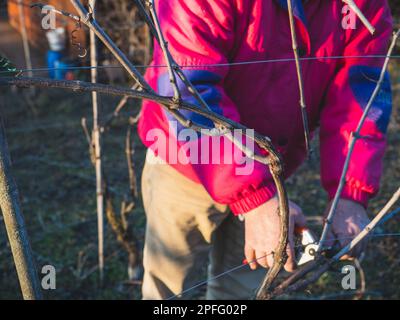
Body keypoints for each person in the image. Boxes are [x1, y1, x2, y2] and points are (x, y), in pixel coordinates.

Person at [137, 0, 393, 299]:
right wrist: (255, 197)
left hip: (272, 166)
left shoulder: (361, 7)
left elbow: (359, 96)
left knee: (243, 289)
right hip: (184, 160)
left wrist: (350, 194)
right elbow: (189, 93)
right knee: (169, 285)